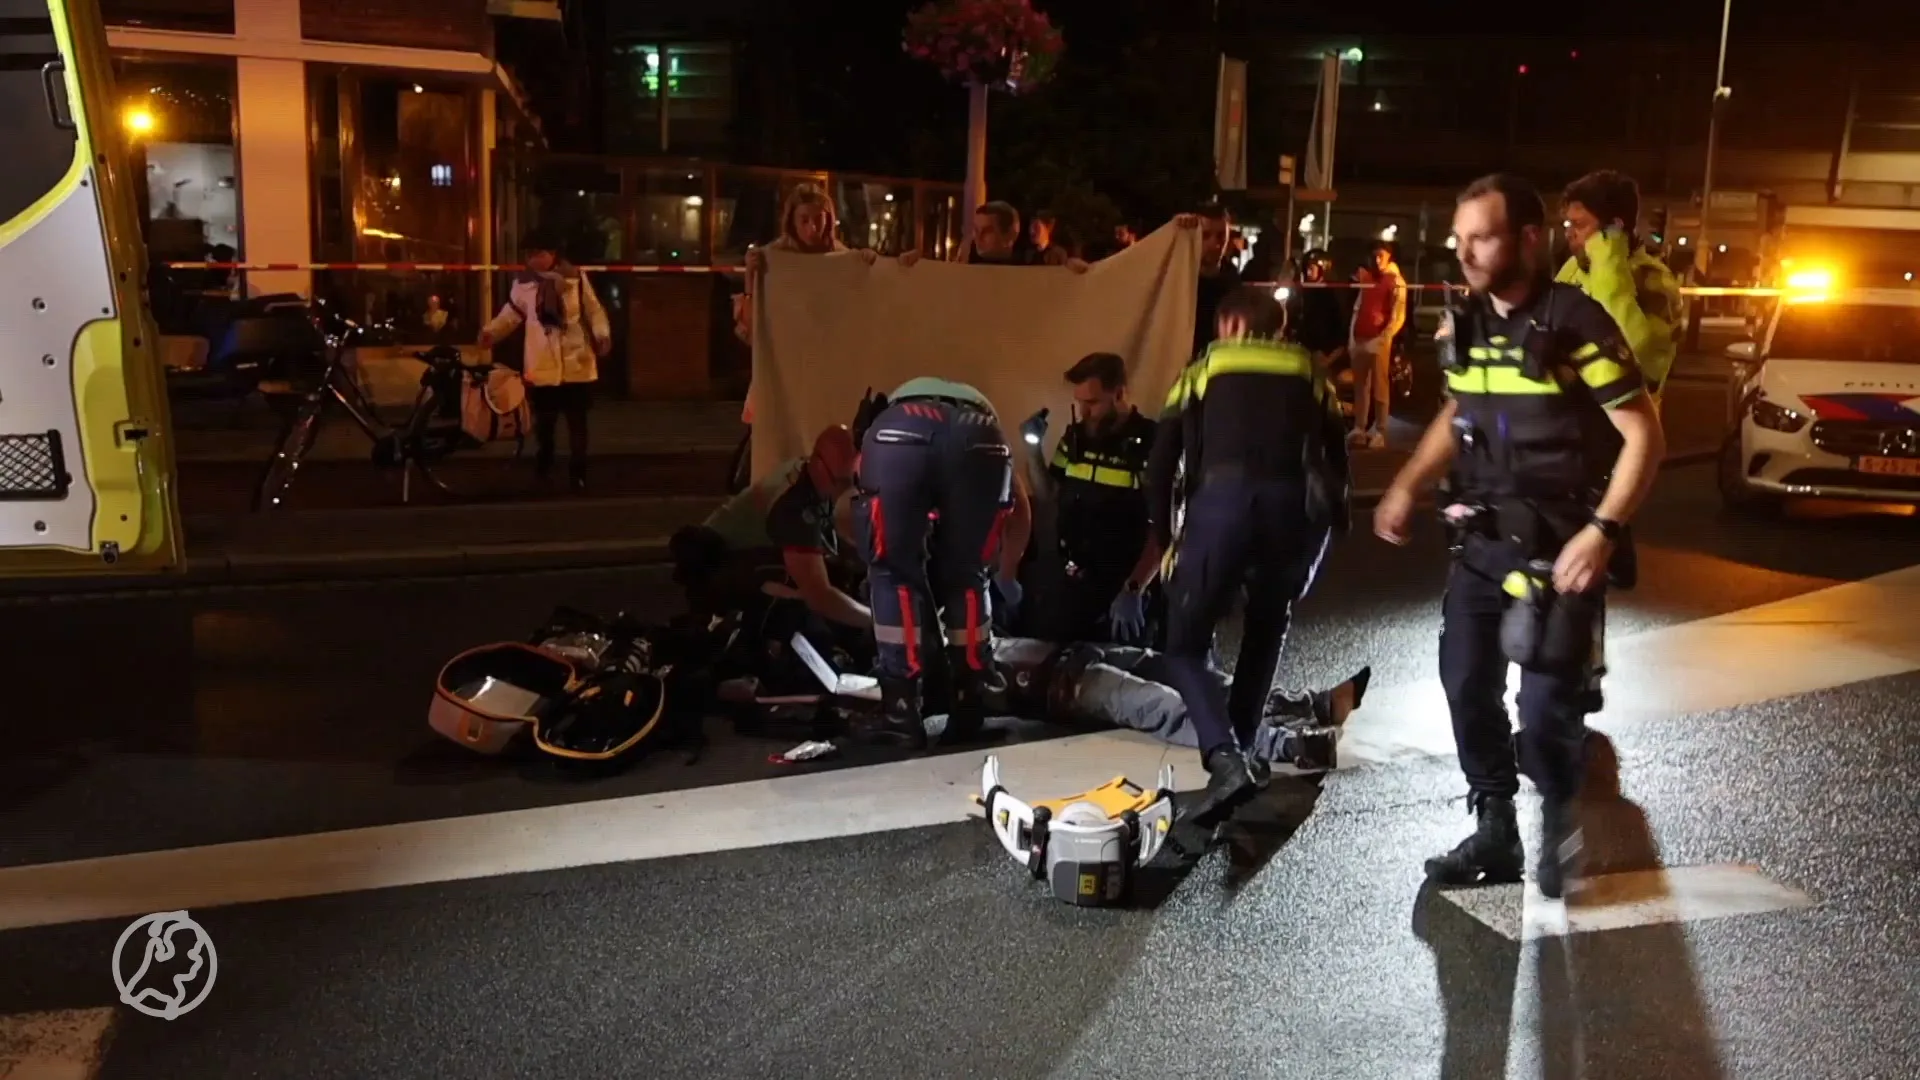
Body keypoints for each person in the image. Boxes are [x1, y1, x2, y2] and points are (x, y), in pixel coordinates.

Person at [1372, 173, 1666, 900]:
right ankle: (1494, 828)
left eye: (1483, 237)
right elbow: (1460, 410)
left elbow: (1645, 435)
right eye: (1460, 238)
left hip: (1558, 543)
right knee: (1466, 684)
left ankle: (1560, 818)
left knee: (1542, 712)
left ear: (1528, 239)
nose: (1465, 252)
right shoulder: (1470, 320)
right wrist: (1409, 484)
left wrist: (1601, 532)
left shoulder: (1576, 321)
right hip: (1480, 542)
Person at [1145, 285, 1351, 828]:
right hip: (1293, 514)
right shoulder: (1311, 371)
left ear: (1231, 326)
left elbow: (1161, 464)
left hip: (1223, 505)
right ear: (1278, 328)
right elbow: (1338, 459)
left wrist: (1166, 543)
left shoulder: (1205, 367)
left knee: (1184, 647)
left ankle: (1224, 757)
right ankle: (1243, 751)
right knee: (1267, 627)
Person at [853, 377, 1033, 749]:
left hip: (900, 435)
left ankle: (900, 711)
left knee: (892, 572)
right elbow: (1019, 506)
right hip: (982, 438)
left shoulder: (893, 411)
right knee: (969, 574)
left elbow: (866, 517)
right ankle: (972, 703)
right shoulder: (981, 414)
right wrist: (1007, 570)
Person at [675, 424, 865, 631]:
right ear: (819, 464)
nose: (848, 490)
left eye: (852, 481)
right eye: (841, 482)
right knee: (809, 606)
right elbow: (820, 596)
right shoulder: (795, 507)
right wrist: (877, 623)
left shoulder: (808, 472)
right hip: (716, 569)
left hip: (744, 557)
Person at [1027, 353, 1161, 644]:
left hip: (1121, 586)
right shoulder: (1076, 437)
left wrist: (1134, 589)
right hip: (1074, 581)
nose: (1084, 412)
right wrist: (1033, 450)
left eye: (1093, 403)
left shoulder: (1150, 442)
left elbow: (1165, 526)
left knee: (1117, 677)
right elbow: (1048, 493)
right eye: (1080, 402)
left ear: (1120, 394)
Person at [480, 230, 611, 491]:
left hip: (576, 363)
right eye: (529, 255)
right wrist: (491, 332)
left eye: (540, 254)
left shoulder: (576, 279)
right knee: (546, 426)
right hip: (542, 365)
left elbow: (594, 310)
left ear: (553, 255)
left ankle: (578, 474)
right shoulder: (523, 284)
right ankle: (544, 470)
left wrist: (602, 334)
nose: (534, 260)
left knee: (577, 425)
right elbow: (511, 315)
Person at [1557, 169, 1683, 408]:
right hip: (1568, 428)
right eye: (1568, 223)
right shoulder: (1574, 268)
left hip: (1624, 431)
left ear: (1614, 228)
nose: (1569, 233)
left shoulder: (1656, 280)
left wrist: (1609, 262)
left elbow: (1644, 362)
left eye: (1579, 224)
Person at [1348, 239, 1408, 450]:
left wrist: (1386, 336)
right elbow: (1358, 306)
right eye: (1374, 256)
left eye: (1380, 256)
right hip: (1360, 338)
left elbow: (1398, 313)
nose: (1376, 260)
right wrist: (1352, 337)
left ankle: (1381, 430)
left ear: (1388, 257)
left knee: (1380, 388)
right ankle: (1360, 427)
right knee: (1360, 387)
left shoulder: (1395, 280)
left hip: (1378, 338)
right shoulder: (1367, 277)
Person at [957, 202, 1089, 271]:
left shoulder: (1030, 260)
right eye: (976, 230)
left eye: (987, 231)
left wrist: (1071, 270)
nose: (978, 237)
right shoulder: (968, 258)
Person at [1191, 205, 1241, 360]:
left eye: (1220, 236)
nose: (1215, 244)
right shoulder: (1181, 276)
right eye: (1205, 236)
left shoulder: (1232, 278)